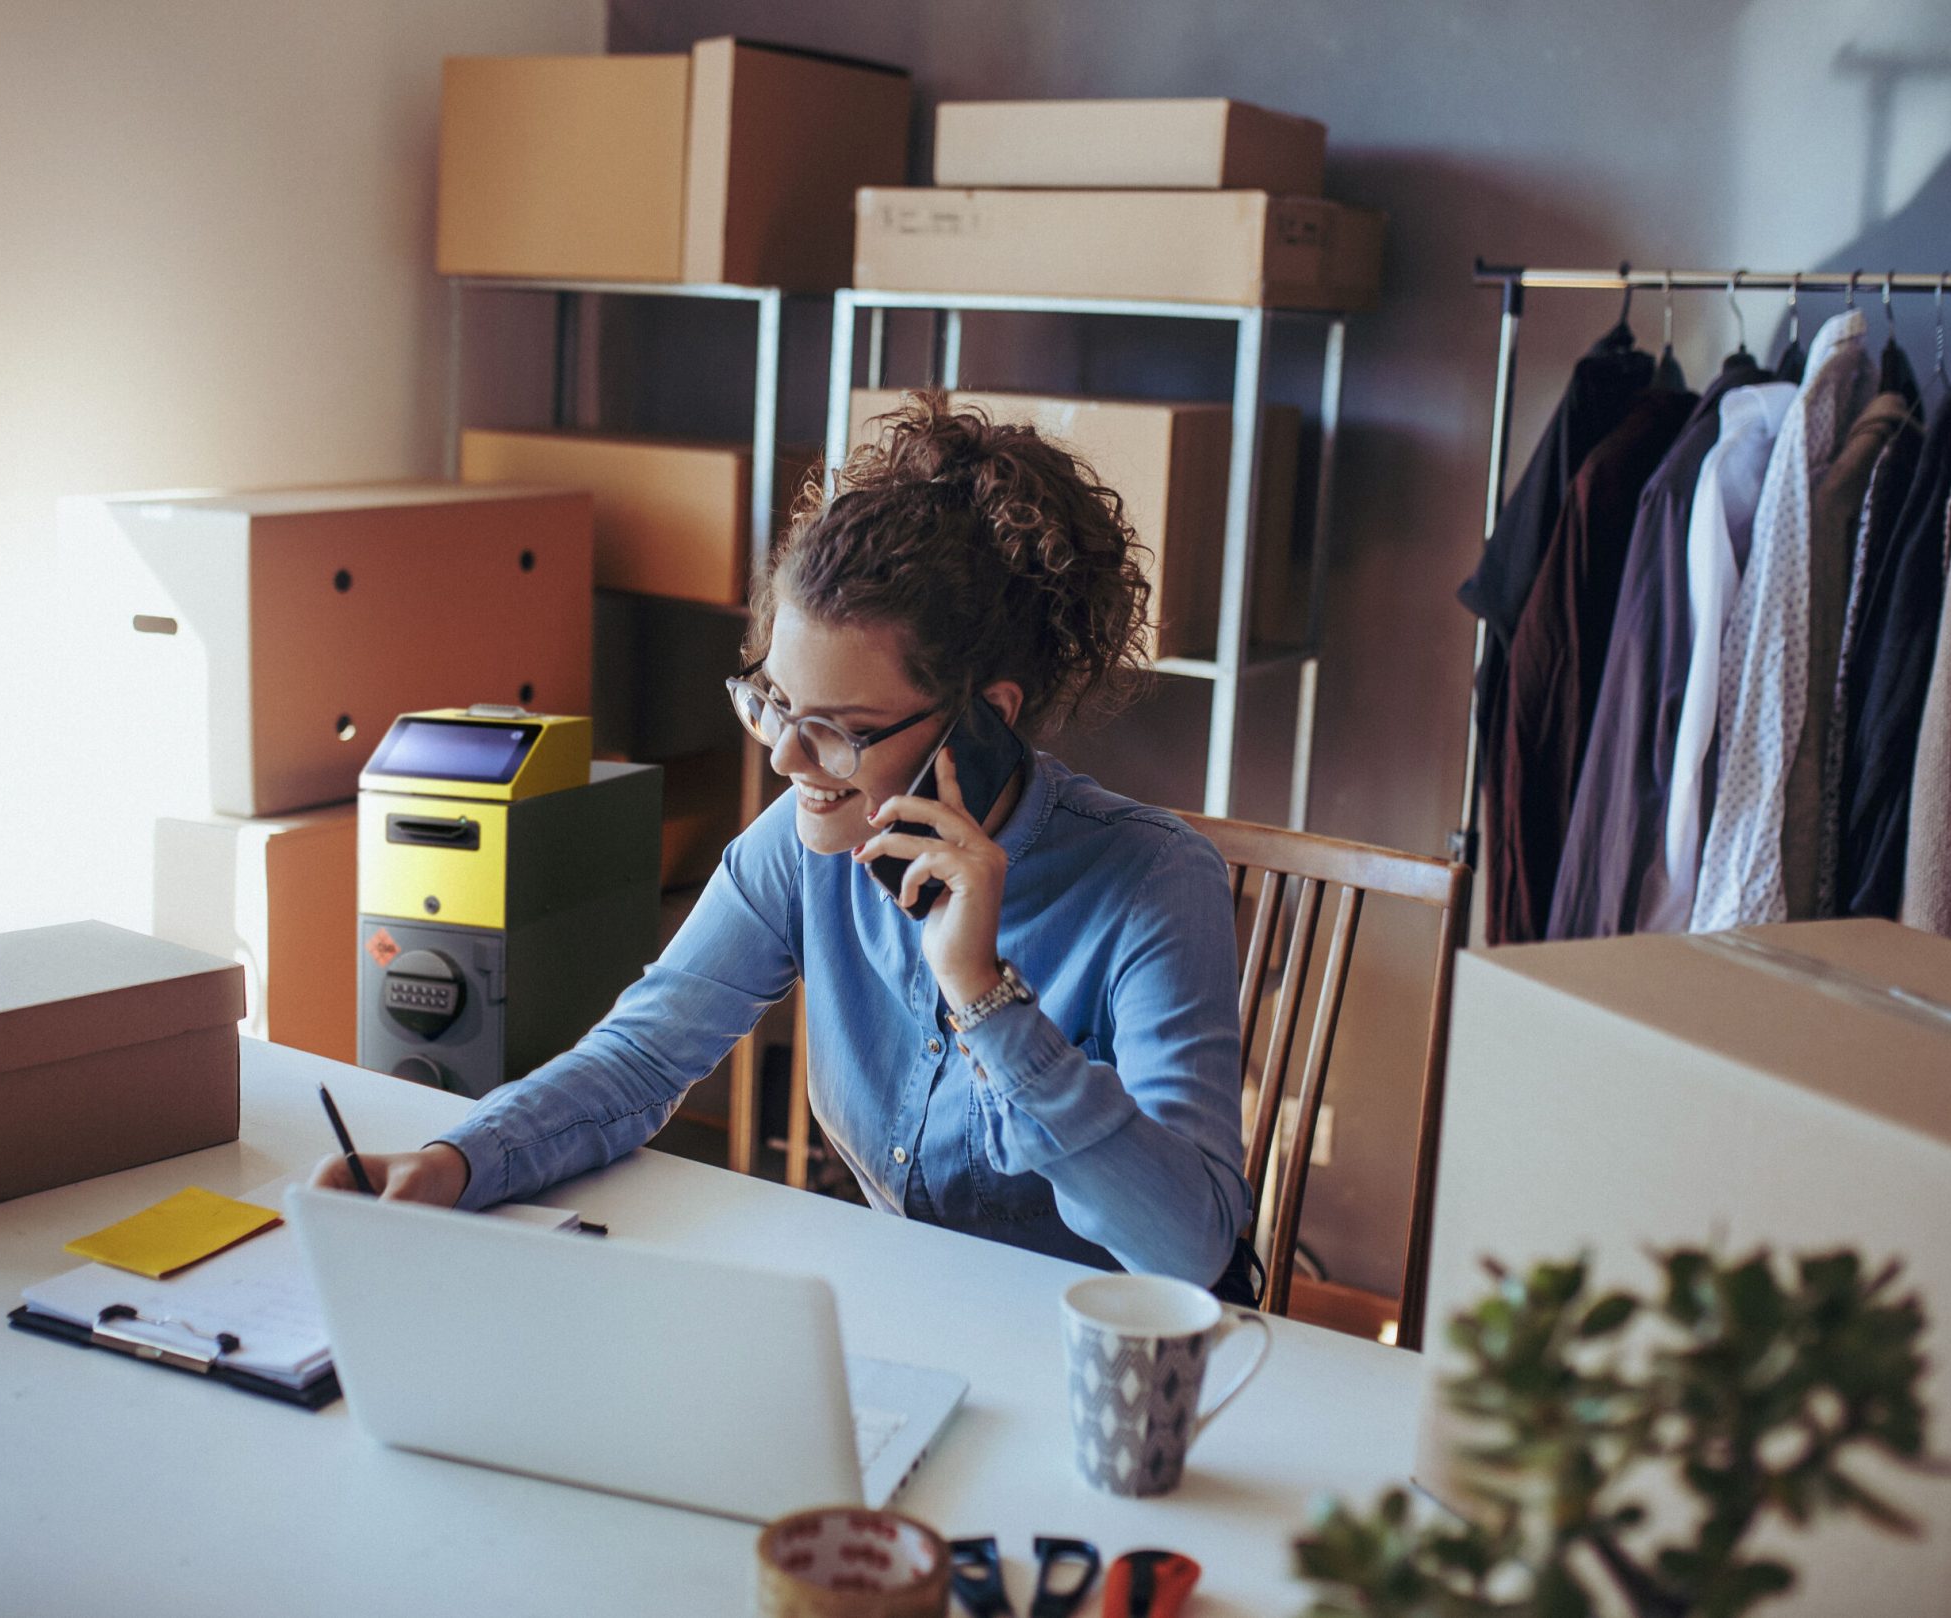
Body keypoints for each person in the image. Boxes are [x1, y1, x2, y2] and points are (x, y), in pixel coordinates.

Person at [316, 392, 1253, 1293]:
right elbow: (642, 1059)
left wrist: (986, 997)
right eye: (774, 705)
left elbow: (1186, 1251)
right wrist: (455, 1161)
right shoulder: (804, 847)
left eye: (840, 728)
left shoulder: (1154, 884)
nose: (788, 759)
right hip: (898, 1320)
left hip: (1090, 1367)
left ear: (986, 721)